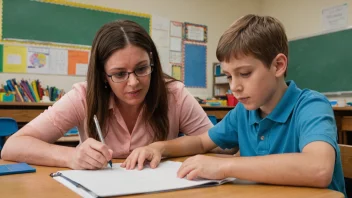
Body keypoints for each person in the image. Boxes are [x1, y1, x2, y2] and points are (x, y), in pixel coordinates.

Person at [121, 14, 346, 196]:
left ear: (278, 65)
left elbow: (319, 168)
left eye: (245, 74)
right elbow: (201, 141)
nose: (234, 87)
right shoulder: (244, 112)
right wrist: (158, 147)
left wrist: (224, 166)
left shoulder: (311, 105)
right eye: (229, 76)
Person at [1, 20, 214, 170]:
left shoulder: (174, 95)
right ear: (103, 74)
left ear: (152, 62)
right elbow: (13, 146)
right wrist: (72, 156)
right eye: (119, 74)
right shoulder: (83, 96)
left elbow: (216, 143)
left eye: (141, 69)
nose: (133, 82)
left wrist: (163, 148)